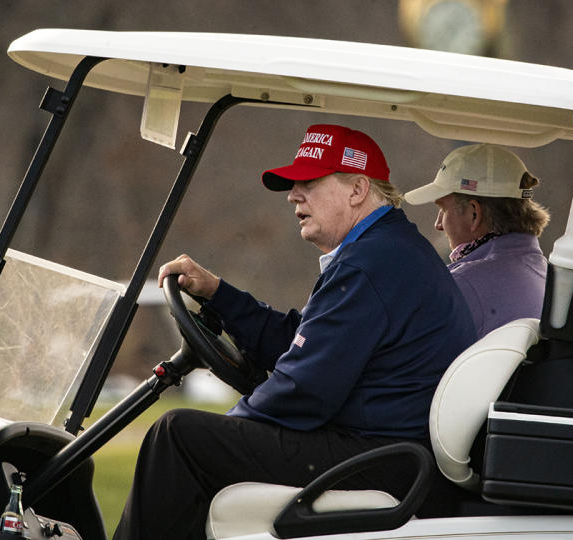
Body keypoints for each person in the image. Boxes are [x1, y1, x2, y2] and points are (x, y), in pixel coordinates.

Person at [114, 124, 476, 540]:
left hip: (384, 457)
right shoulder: (385, 250)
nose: (293, 195)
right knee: (197, 437)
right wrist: (218, 294)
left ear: (357, 189)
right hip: (388, 449)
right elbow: (305, 342)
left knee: (176, 435)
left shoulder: (368, 265)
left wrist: (235, 424)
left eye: (309, 182)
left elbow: (303, 392)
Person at [404, 143, 550, 339]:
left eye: (443, 210)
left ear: (474, 213)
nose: (438, 224)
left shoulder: (460, 287)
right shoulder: (548, 274)